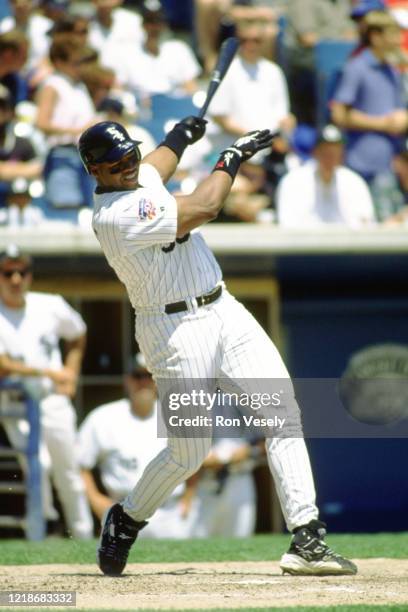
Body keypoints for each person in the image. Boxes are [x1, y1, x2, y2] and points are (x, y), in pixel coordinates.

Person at [77, 115, 357, 577]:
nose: (129, 165)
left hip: (223, 309)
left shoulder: (134, 172)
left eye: (130, 154)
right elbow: (205, 206)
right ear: (96, 171)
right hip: (174, 332)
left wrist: (179, 137)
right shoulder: (114, 216)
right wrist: (230, 157)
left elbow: (155, 166)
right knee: (189, 450)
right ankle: (126, 518)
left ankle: (307, 538)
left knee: (281, 413)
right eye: (117, 162)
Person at [0, 244, 93, 539]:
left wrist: (72, 372)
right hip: (16, 403)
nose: (16, 279)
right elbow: (2, 365)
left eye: (22, 272)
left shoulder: (49, 304)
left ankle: (83, 534)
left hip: (53, 400)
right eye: (8, 272)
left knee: (69, 471)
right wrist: (49, 371)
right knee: (40, 466)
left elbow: (78, 334)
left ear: (29, 275)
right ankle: (46, 529)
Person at [78, 353, 192, 539]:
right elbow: (80, 464)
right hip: (122, 512)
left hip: (170, 514)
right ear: (127, 380)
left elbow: (196, 460)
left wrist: (189, 499)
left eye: (149, 376)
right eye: (137, 376)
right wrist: (96, 500)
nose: (143, 382)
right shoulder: (103, 417)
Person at [331, 11, 407, 183]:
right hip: (361, 164)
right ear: (375, 36)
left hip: (390, 164)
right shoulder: (356, 68)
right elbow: (339, 114)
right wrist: (383, 124)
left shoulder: (392, 70)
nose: (398, 40)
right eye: (393, 34)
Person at [35, 38, 96, 210]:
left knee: (91, 212)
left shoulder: (79, 86)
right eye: (75, 63)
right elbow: (41, 123)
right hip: (63, 157)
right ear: (59, 62)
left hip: (87, 159)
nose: (80, 67)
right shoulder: (52, 85)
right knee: (66, 208)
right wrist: (78, 130)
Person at [277, 124, 376, 227]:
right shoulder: (293, 182)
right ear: (315, 152)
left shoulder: (354, 182)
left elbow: (366, 223)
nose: (330, 156)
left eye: (335, 151)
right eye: (325, 151)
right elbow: (287, 224)